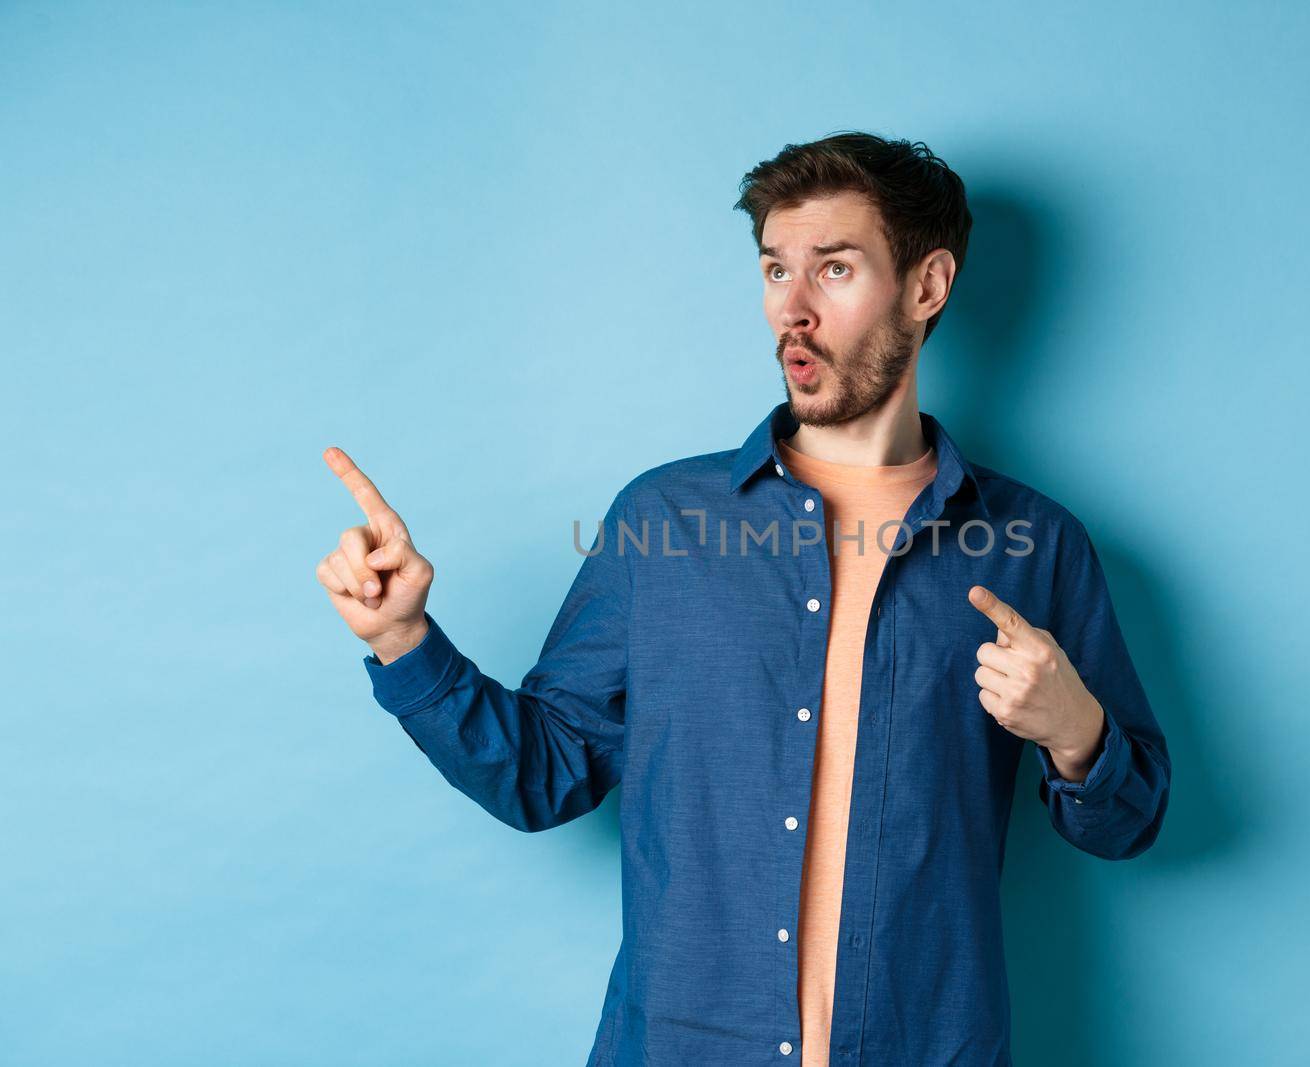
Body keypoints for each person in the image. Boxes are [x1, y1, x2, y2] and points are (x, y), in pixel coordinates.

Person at [316, 131, 1171, 1067]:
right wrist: (403, 640)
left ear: (927, 288)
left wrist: (1075, 730)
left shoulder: (1035, 545)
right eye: (775, 270)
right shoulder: (660, 523)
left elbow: (1127, 822)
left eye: (834, 270)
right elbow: (542, 774)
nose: (791, 310)